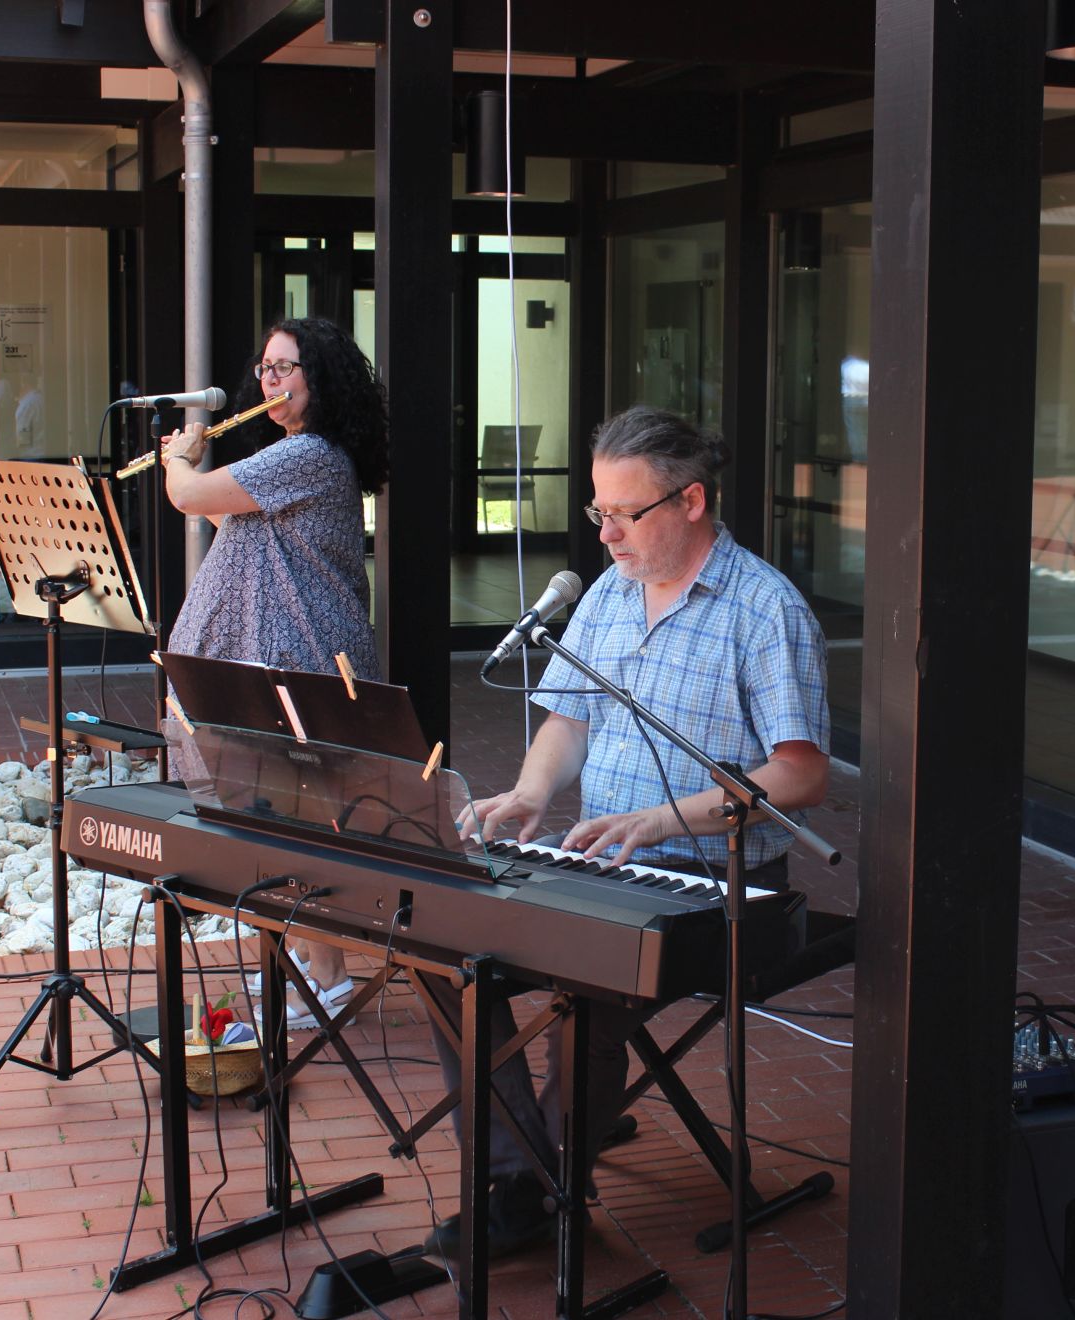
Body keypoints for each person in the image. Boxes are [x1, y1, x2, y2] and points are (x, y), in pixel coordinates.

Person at [425, 404, 831, 1259]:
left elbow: (800, 775)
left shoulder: (766, 609)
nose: (605, 534)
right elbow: (569, 719)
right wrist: (531, 793)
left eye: (624, 513)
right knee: (446, 946)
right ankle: (522, 1175)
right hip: (604, 860)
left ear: (691, 501)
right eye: (597, 511)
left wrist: (658, 821)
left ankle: (533, 1193)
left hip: (718, 883)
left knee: (590, 990)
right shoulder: (609, 593)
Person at [159, 316, 391, 1021]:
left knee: (301, 820)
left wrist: (180, 459)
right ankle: (300, 964)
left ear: (321, 381)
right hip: (270, 656)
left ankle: (330, 979)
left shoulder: (311, 455)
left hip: (304, 659)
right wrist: (195, 475)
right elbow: (230, 523)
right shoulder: (288, 457)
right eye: (265, 368)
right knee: (269, 817)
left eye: (286, 368)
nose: (270, 380)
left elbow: (190, 498)